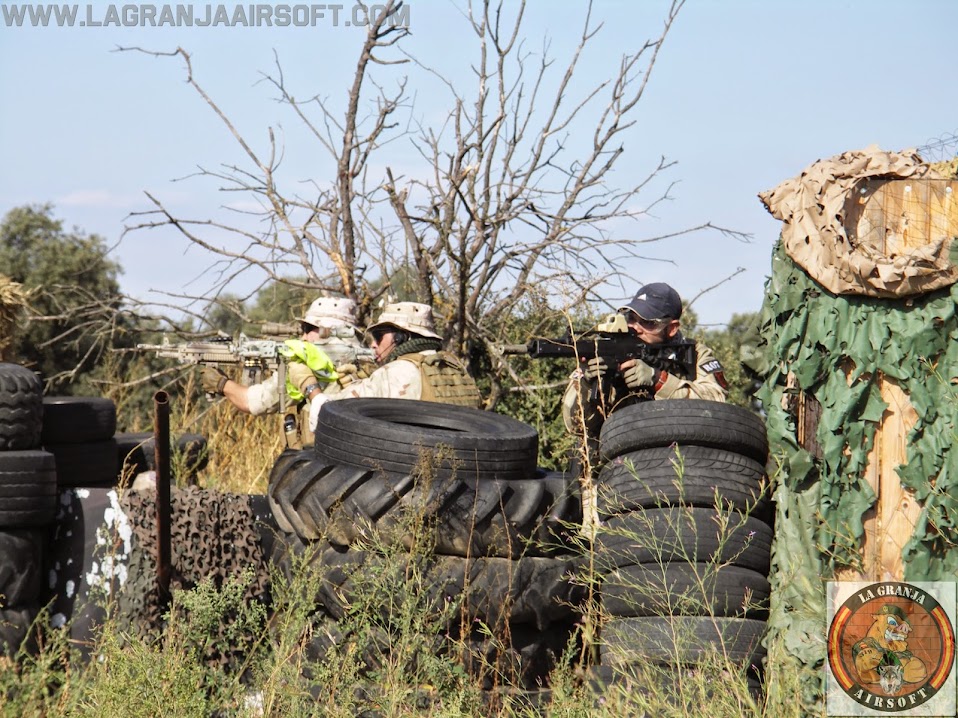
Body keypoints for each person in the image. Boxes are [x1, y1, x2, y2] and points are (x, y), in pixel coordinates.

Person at [561, 282, 728, 440]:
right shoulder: (608, 350)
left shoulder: (696, 354)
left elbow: (716, 404)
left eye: (647, 323)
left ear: (671, 328)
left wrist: (658, 380)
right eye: (631, 318)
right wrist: (586, 383)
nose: (635, 327)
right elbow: (575, 427)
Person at [200, 296, 364, 447]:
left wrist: (221, 383)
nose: (303, 337)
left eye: (308, 328)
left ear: (330, 331)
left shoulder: (308, 365)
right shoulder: (367, 366)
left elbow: (251, 402)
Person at [304, 301, 481, 431]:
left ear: (401, 337)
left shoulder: (396, 372)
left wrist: (310, 386)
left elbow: (328, 412)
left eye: (379, 335)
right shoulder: (454, 365)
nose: (373, 344)